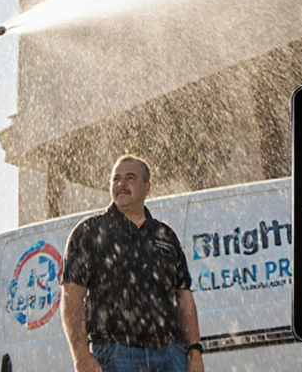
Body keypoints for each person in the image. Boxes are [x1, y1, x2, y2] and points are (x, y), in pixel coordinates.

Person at [62, 155, 205, 372]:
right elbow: (71, 298)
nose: (121, 184)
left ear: (146, 187)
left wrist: (194, 351)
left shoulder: (165, 236)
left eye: (130, 178)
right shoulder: (89, 233)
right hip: (115, 355)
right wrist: (81, 356)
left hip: (170, 355)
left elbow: (184, 297)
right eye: (116, 179)